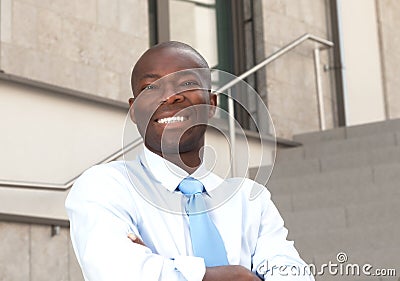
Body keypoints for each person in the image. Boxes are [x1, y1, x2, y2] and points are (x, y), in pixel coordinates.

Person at [66, 41, 314, 281]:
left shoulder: (250, 199)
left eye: (187, 83)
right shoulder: (105, 186)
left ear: (212, 104)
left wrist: (165, 267)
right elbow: (118, 272)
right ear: (134, 110)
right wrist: (237, 275)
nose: (171, 97)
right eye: (150, 87)